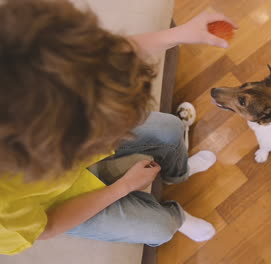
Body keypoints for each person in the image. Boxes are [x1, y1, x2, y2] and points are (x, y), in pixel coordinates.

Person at [0, 0, 237, 255]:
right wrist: (122, 187)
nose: (122, 136)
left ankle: (180, 172)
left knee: (169, 127)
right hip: (55, 205)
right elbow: (47, 227)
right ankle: (176, 217)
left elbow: (98, 56)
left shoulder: (19, 55)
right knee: (160, 227)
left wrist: (180, 34)